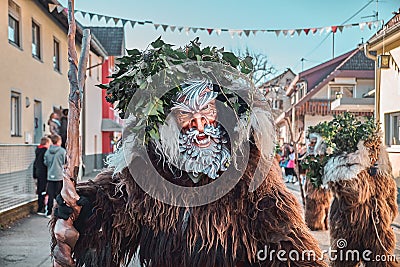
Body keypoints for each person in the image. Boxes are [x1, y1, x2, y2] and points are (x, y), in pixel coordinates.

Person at [50, 79, 326, 267]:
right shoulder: (144, 174)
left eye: (206, 110)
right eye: (186, 115)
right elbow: (108, 221)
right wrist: (78, 211)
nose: (199, 124)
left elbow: (288, 243)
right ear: (168, 122)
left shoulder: (252, 175)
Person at [44, 134, 66, 218]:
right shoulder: (62, 151)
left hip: (50, 176)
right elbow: (65, 162)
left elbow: (45, 162)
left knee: (50, 195)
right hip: (59, 176)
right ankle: (59, 212)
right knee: (59, 195)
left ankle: (49, 212)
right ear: (58, 141)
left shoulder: (48, 151)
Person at [33, 136, 51, 215]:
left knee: (40, 191)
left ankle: (40, 208)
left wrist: (34, 174)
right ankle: (42, 208)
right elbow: (46, 163)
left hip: (38, 173)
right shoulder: (45, 151)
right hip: (44, 174)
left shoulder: (37, 150)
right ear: (46, 143)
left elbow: (35, 163)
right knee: (44, 191)